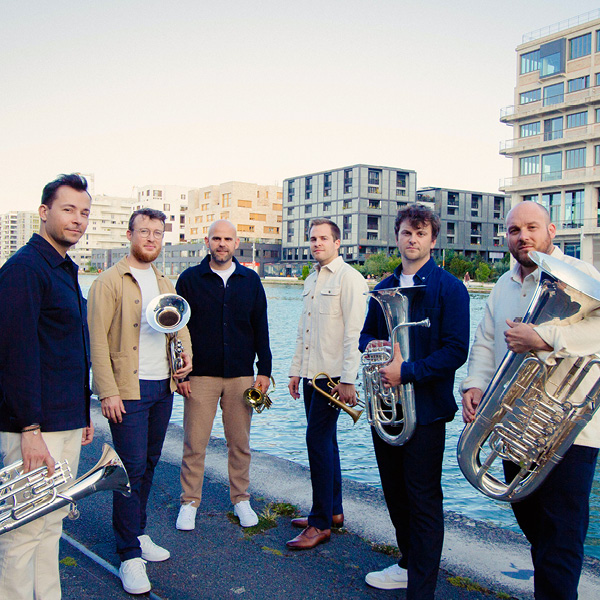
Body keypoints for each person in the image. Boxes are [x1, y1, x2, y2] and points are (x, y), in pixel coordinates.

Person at [461, 200, 600, 600]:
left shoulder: (581, 275)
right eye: (514, 230)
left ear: (551, 231)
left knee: (560, 535)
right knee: (533, 524)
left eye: (532, 228)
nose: (523, 237)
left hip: (567, 433)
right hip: (514, 425)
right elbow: (485, 340)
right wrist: (474, 384)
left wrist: (544, 337)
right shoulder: (503, 284)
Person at [359, 204, 470, 597]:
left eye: (421, 233)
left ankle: (421, 590)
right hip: (388, 409)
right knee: (394, 494)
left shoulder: (451, 289)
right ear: (397, 236)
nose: (413, 239)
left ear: (432, 240)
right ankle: (408, 564)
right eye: (407, 232)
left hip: (426, 412)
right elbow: (364, 335)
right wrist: (372, 344)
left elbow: (456, 351)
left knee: (423, 500)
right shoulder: (383, 287)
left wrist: (406, 372)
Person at [87, 208, 193, 595]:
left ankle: (138, 532)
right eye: (144, 231)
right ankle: (129, 554)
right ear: (130, 235)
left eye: (157, 233)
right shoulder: (108, 281)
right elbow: (97, 340)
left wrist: (186, 360)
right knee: (129, 469)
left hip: (162, 387)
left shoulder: (164, 280)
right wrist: (108, 391)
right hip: (127, 389)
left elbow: (179, 325)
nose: (151, 238)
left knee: (148, 463)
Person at [0, 173, 94, 600]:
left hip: (64, 420)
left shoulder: (63, 268)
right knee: (22, 533)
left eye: (84, 213)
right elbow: (14, 356)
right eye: (68, 209)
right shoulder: (24, 269)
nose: (78, 220)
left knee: (51, 524)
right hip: (36, 427)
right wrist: (30, 428)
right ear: (44, 212)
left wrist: (82, 414)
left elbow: (67, 351)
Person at [175, 219, 272, 531]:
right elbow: (176, 330)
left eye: (227, 239)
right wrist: (180, 375)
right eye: (216, 238)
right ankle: (189, 502)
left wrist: (265, 370)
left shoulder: (250, 280)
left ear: (236, 243)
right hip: (199, 376)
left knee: (240, 443)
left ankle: (241, 499)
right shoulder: (189, 279)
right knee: (194, 444)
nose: (222, 244)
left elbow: (261, 326)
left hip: (241, 376)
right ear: (207, 241)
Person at [286, 218, 368, 550]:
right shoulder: (312, 278)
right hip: (311, 374)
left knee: (317, 440)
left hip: (333, 378)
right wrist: (295, 371)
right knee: (326, 441)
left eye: (323, 238)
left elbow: (354, 334)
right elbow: (303, 331)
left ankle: (319, 524)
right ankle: (333, 511)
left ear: (337, 243)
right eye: (312, 239)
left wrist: (348, 379)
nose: (317, 243)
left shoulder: (350, 278)